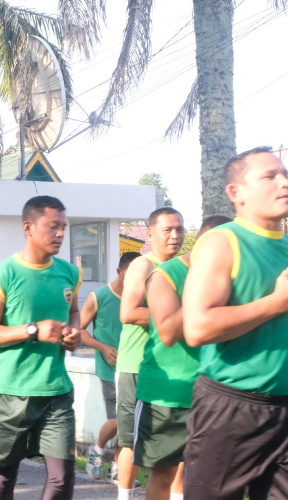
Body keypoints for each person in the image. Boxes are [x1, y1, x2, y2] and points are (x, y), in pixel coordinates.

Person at [182, 147, 288, 499]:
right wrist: (275, 303)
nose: (283, 182)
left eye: (285, 174)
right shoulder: (222, 242)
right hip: (231, 409)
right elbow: (197, 328)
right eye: (269, 176)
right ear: (236, 192)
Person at [0, 196, 82, 500]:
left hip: (55, 390)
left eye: (63, 227)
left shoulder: (70, 273)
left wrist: (74, 331)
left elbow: (74, 311)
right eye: (52, 226)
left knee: (62, 479)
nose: (60, 233)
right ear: (28, 227)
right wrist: (33, 330)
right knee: (5, 475)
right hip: (9, 391)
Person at [134, 216, 230, 500]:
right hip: (166, 396)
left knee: (198, 478)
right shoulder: (164, 275)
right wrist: (203, 293)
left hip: (214, 394)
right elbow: (168, 333)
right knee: (163, 476)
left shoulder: (228, 274)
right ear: (206, 244)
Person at [115, 207, 185, 499]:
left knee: (180, 450)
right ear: (150, 233)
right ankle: (124, 495)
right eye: (167, 230)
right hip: (136, 366)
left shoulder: (184, 267)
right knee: (131, 442)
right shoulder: (143, 265)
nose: (175, 236)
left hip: (171, 370)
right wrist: (173, 315)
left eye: (179, 229)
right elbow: (128, 313)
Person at [81, 252, 141, 482]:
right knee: (120, 420)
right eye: (131, 273)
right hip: (110, 370)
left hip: (137, 369)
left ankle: (117, 467)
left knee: (129, 424)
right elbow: (79, 330)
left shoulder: (143, 296)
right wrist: (103, 348)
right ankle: (97, 449)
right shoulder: (99, 297)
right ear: (119, 271)